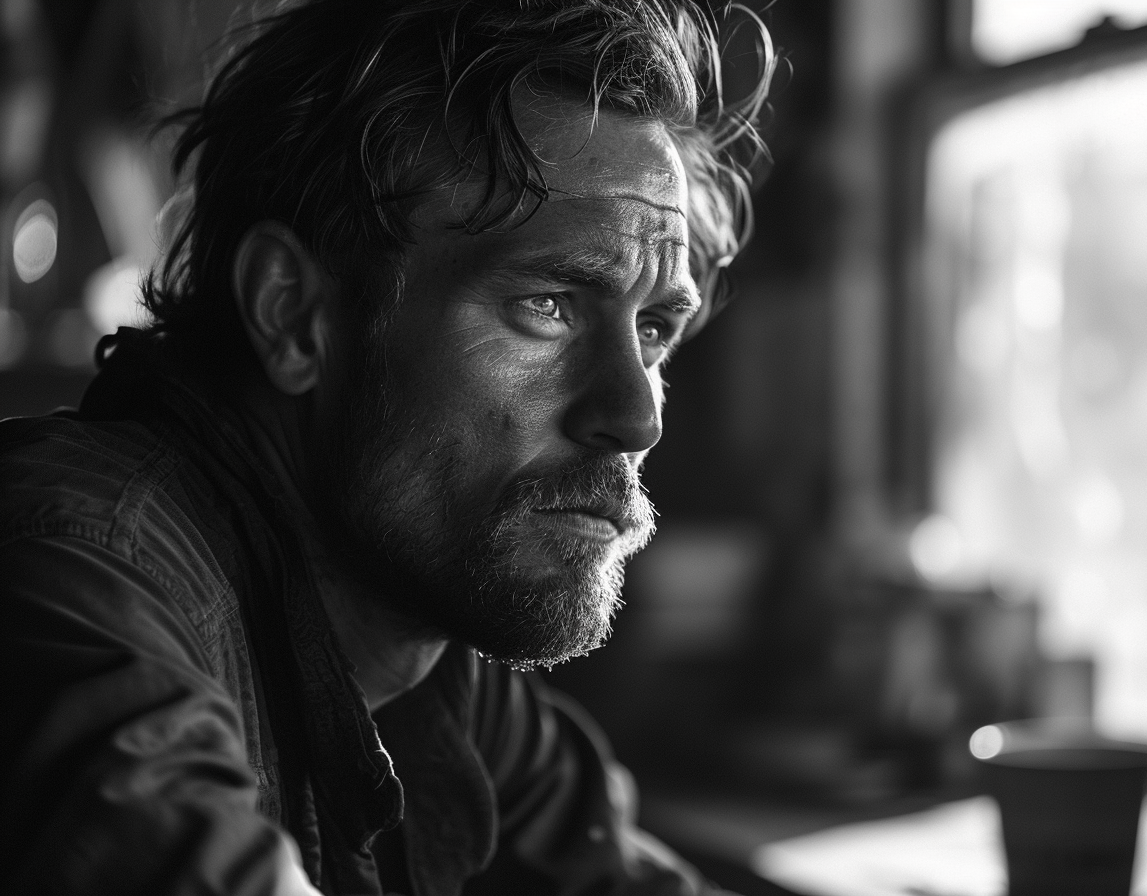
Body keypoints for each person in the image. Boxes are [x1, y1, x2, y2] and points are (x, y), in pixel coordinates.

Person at [0, 1, 774, 893]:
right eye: (548, 306)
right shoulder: (73, 573)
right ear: (294, 313)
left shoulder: (424, 643)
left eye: (652, 330)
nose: (638, 418)